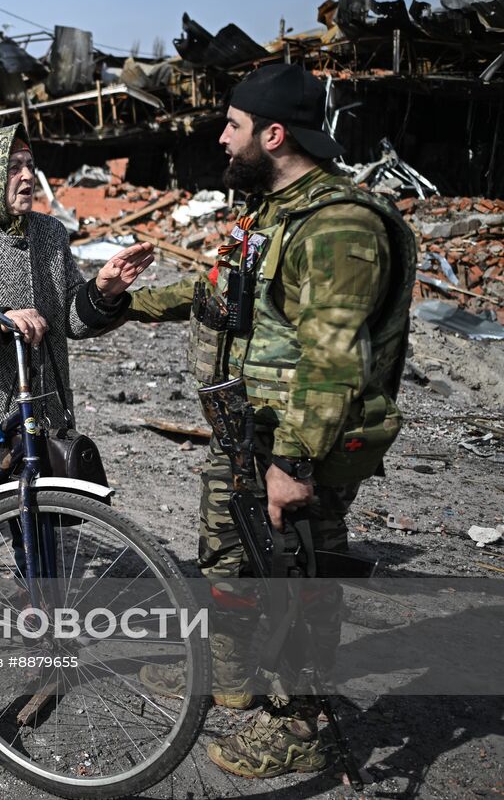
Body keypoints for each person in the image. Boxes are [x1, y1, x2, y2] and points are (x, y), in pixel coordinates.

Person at [128, 64, 415, 778]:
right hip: (245, 431)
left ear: (274, 133)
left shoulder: (339, 226)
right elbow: (222, 296)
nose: (222, 137)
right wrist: (117, 301)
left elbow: (333, 359)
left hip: (296, 444)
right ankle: (228, 677)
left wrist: (294, 464)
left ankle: (303, 722)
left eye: (232, 124)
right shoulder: (276, 213)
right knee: (228, 557)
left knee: (298, 578)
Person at [0, 123, 154, 501]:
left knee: (36, 530)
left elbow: (68, 317)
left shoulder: (50, 233)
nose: (27, 176)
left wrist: (102, 291)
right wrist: (0, 322)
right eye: (12, 167)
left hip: (39, 409)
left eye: (29, 164)